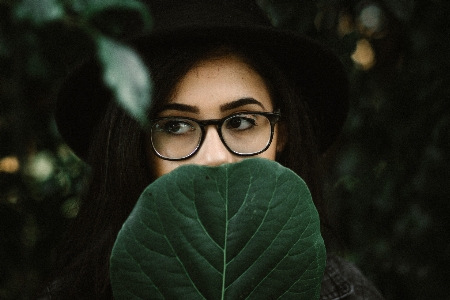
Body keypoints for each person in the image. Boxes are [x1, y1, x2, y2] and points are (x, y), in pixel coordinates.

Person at [40, 0, 385, 299]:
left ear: (282, 134)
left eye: (241, 122)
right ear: (136, 146)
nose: (215, 157)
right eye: (175, 126)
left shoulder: (346, 294)